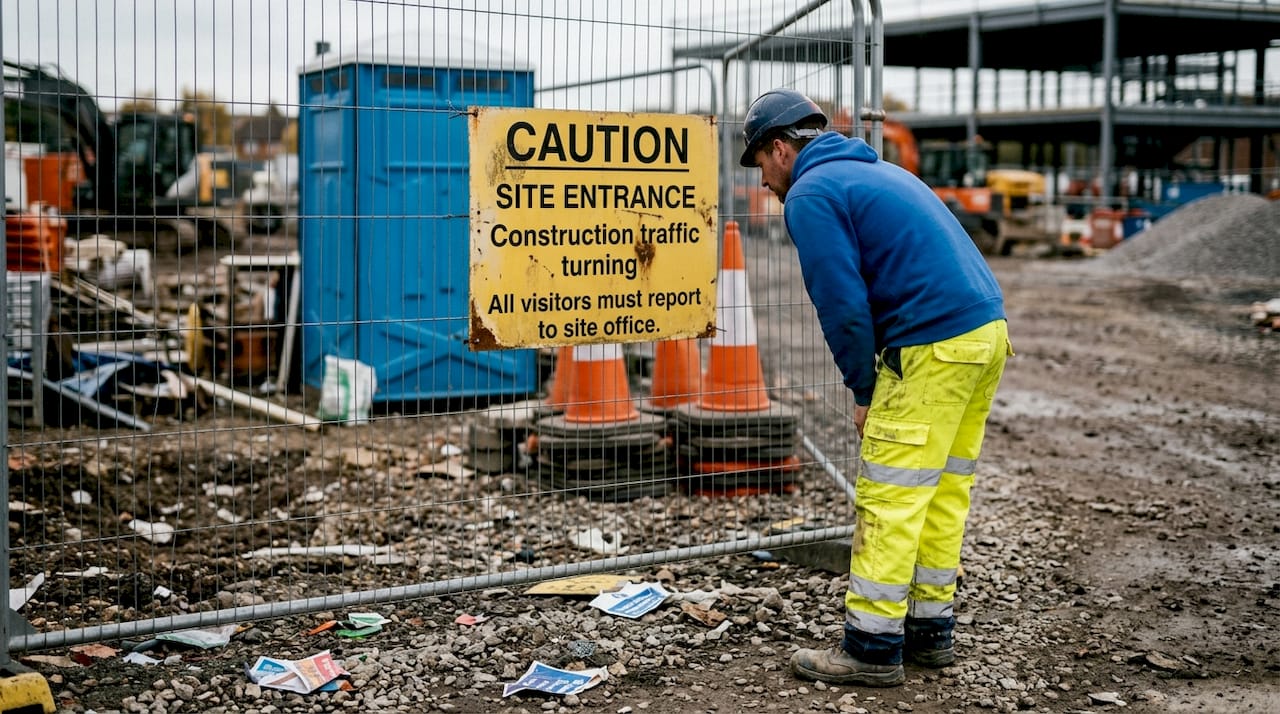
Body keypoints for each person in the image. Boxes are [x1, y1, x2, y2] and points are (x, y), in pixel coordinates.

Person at [738, 88, 1013, 687]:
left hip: (932, 347)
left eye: (760, 163)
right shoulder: (878, 172)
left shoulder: (811, 192)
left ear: (780, 148)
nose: (763, 181)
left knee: (890, 496)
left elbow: (842, 306)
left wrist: (865, 391)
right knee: (941, 491)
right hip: (983, 335)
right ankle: (930, 632)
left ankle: (871, 647)